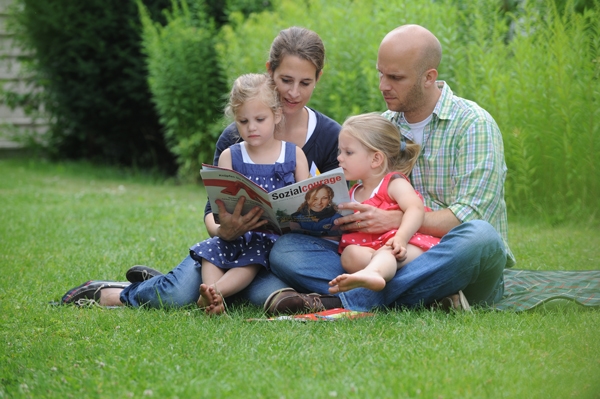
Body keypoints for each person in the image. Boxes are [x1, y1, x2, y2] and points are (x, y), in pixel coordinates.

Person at [60, 27, 342, 309]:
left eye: (305, 83)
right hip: (236, 244)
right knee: (177, 296)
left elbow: (336, 216)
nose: (294, 92)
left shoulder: (330, 137)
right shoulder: (236, 138)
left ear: (318, 78)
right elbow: (213, 212)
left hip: (285, 255)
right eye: (285, 80)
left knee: (267, 295)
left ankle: (202, 285)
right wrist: (224, 231)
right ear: (270, 72)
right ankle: (116, 292)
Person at [264, 24, 516, 315]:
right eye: (381, 73)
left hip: (448, 256)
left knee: (481, 237)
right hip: (386, 255)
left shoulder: (474, 125)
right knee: (286, 250)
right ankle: (428, 298)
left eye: (395, 77)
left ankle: (349, 299)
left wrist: (393, 220)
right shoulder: (384, 125)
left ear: (428, 77)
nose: (383, 85)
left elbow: (468, 217)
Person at [189, 73, 309, 315]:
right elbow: (217, 208)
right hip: (234, 233)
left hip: (271, 241)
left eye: (259, 119)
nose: (251, 127)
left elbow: (304, 203)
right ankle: (212, 295)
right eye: (243, 121)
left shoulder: (294, 155)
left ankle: (214, 293)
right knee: (211, 252)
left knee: (251, 259)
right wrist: (222, 229)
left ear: (276, 115)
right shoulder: (230, 156)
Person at [327, 113, 440, 294]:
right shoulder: (352, 193)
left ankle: (375, 275)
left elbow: (415, 208)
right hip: (374, 252)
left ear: (376, 159)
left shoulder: (393, 183)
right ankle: (377, 276)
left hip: (405, 246)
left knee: (386, 253)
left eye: (348, 152)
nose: (340, 158)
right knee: (349, 255)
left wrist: (401, 238)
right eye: (340, 152)